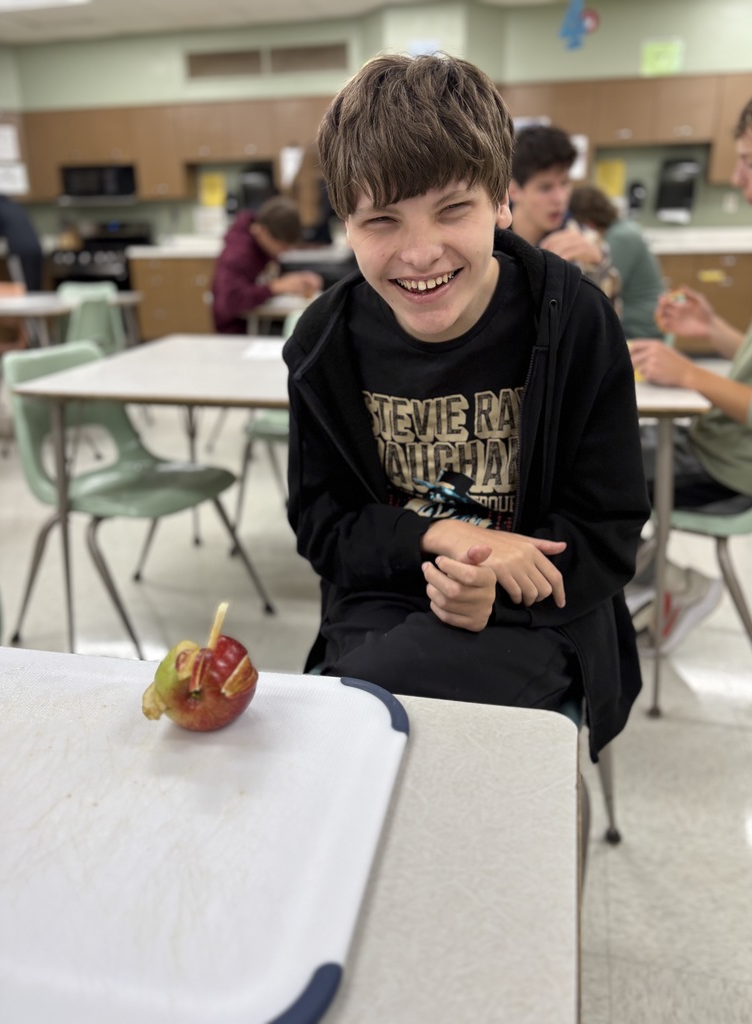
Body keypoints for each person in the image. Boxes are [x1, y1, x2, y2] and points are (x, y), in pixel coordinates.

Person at [282, 53, 650, 759]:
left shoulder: (575, 320)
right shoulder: (324, 343)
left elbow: (608, 531)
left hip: (543, 610)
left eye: (453, 210)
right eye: (382, 220)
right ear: (346, 224)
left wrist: (493, 590)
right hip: (388, 591)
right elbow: (323, 527)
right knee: (377, 718)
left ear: (501, 202)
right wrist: (440, 537)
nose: (420, 253)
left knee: (366, 720)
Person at [627, 90, 752, 652]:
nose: (738, 177)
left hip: (732, 470)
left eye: (751, 163)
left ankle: (671, 585)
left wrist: (689, 374)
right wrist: (713, 331)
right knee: (601, 452)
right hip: (716, 445)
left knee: (589, 477)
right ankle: (644, 583)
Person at [508, 125, 621, 304]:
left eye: (564, 183)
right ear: (514, 190)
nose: (560, 198)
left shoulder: (583, 241)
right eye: (545, 188)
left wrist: (599, 265)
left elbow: (609, 313)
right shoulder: (490, 235)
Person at [211, 195, 323, 334]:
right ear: (262, 231)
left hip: (261, 324)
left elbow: (264, 278)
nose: (284, 251)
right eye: (282, 245)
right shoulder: (237, 254)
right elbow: (228, 302)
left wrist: (297, 280)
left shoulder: (263, 245)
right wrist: (275, 287)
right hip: (238, 332)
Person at [569, 184, 665, 339]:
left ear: (586, 221)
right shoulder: (622, 227)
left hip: (641, 322)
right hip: (644, 314)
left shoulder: (620, 237)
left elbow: (604, 289)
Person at [0, 193, 43, 292]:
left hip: (19, 250)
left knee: (22, 287)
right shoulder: (13, 204)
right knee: (35, 286)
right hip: (36, 248)